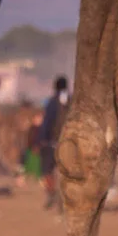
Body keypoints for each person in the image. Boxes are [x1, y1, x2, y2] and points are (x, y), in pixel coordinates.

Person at [39, 75, 70, 209]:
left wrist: (42, 140)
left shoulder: (51, 102)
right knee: (66, 173)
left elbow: (46, 123)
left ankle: (52, 194)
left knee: (47, 171)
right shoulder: (72, 100)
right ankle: (63, 199)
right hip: (70, 143)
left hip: (52, 143)